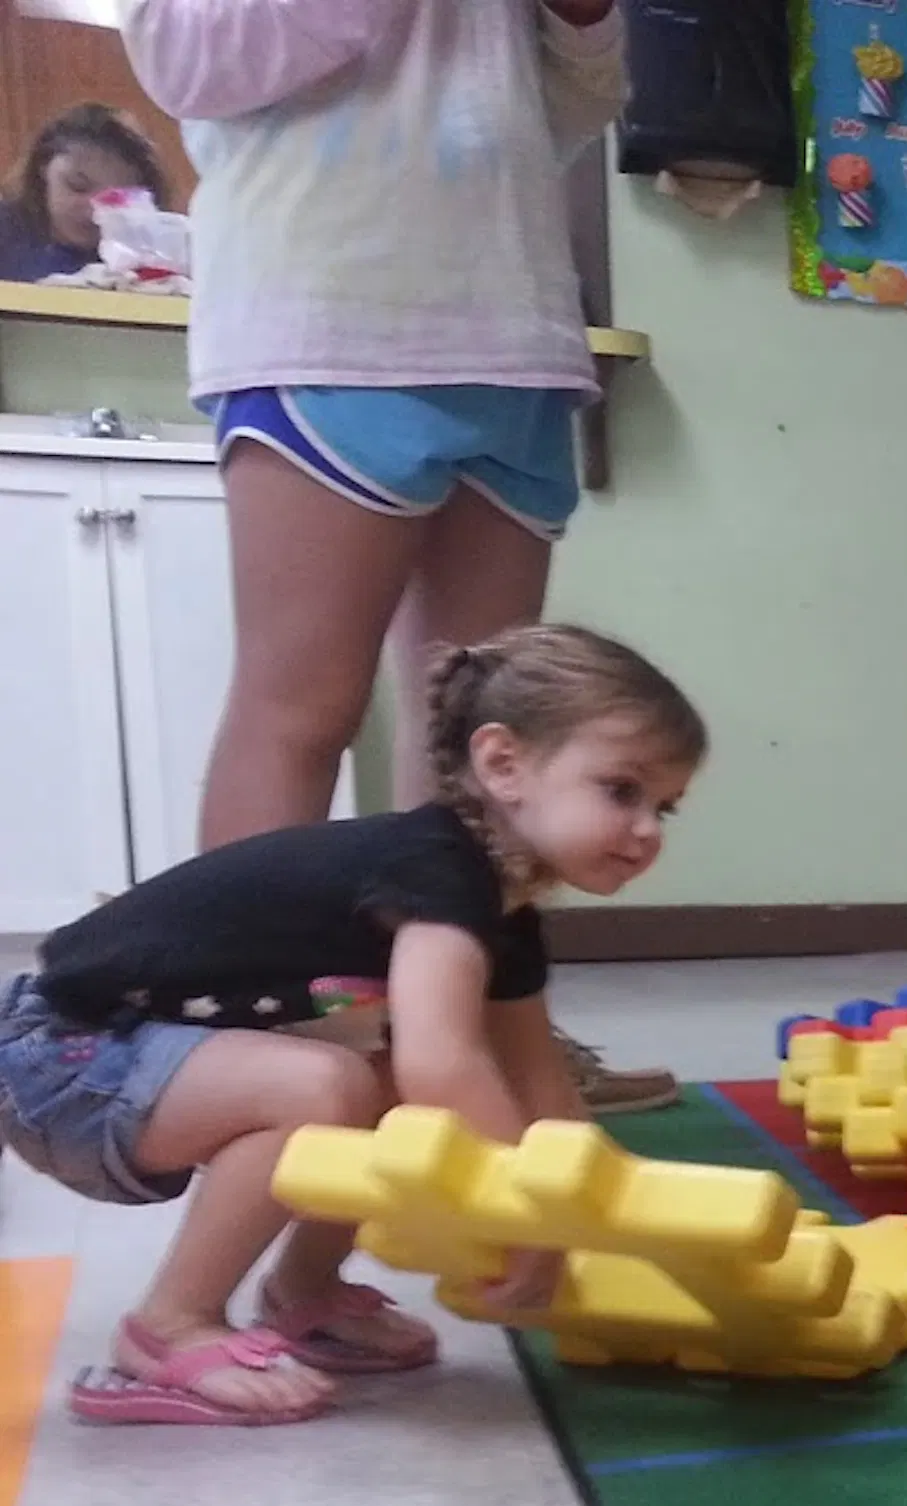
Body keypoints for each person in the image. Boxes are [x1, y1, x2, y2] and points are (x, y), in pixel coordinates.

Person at [118, 0, 678, 1116]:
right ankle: (251, 1047)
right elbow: (184, 59)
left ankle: (459, 1044)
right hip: (325, 315)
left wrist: (580, 22)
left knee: (490, 745)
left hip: (511, 327)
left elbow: (571, 108)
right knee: (300, 708)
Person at [0, 626, 703, 1431]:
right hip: (64, 1058)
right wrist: (533, 1215)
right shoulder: (436, 873)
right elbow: (446, 1065)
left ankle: (304, 1293)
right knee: (325, 1087)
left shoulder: (502, 911)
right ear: (503, 764)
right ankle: (169, 1327)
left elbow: (540, 1088)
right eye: (622, 791)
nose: (648, 830)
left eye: (664, 807)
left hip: (130, 1058)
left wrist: (617, 1214)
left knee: (388, 1086)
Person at [0, 103, 172, 285]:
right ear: (43, 165)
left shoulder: (147, 256)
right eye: (77, 186)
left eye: (115, 201)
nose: (93, 211)